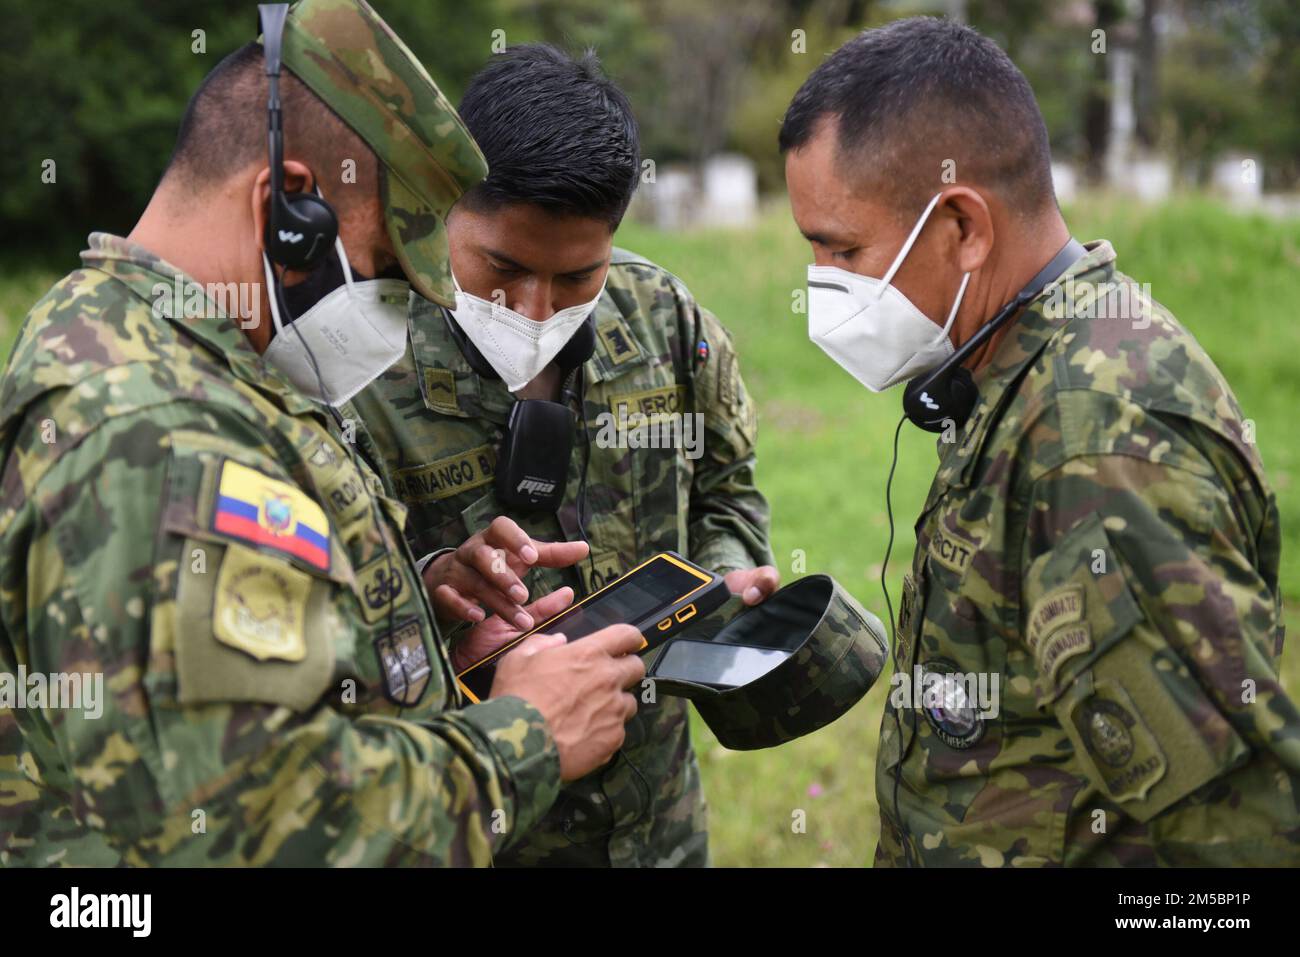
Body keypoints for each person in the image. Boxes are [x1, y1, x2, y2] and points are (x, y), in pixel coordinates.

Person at [0, 0, 645, 867]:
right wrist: (525, 735)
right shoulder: (156, 429)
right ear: (287, 208)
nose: (395, 310)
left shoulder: (194, 356)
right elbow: (249, 822)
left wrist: (410, 633)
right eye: (382, 272)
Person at [779, 16, 1300, 865]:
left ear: (965, 229)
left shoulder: (1093, 447)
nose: (822, 288)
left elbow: (1235, 843)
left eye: (843, 250)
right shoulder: (1014, 372)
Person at [348, 44, 778, 866]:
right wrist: (432, 584)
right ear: (445, 206)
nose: (536, 307)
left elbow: (727, 486)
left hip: (654, 827)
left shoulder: (664, 321)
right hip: (472, 827)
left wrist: (726, 580)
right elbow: (325, 612)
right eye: (502, 268)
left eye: (577, 276)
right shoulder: (360, 360)